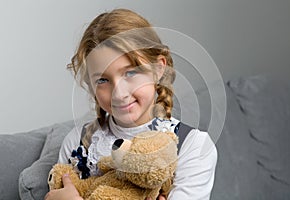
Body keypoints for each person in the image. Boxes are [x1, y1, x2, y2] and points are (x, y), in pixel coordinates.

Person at [44, 8, 217, 200]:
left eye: (131, 73)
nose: (119, 94)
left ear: (159, 69)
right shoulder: (77, 142)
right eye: (102, 80)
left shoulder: (194, 146)